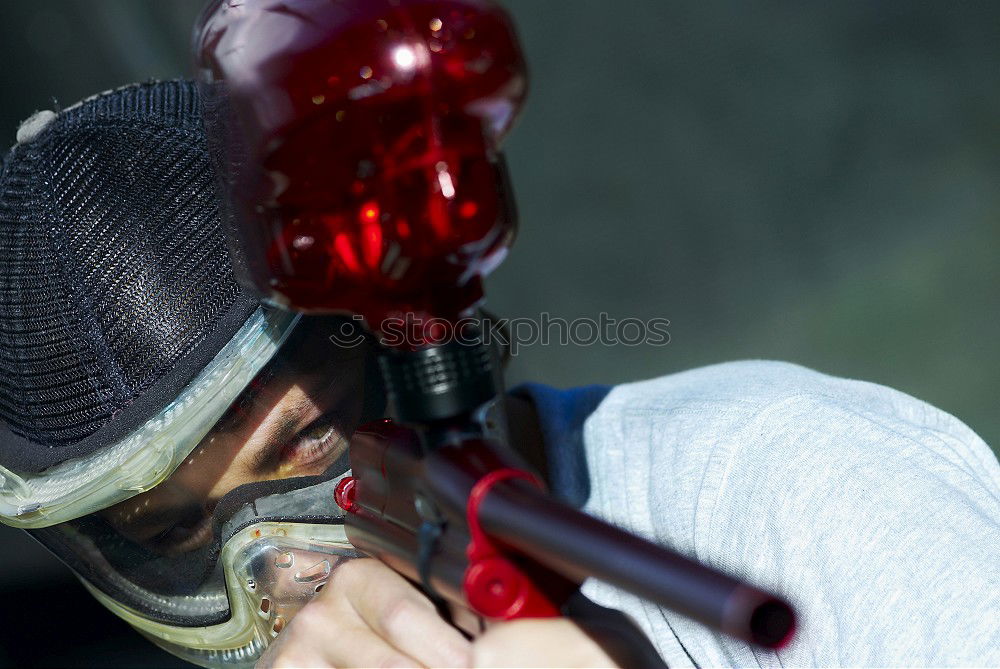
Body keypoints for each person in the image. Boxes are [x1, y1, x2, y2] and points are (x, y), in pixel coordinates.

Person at [0, 80, 997, 669]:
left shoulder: (785, 482)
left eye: (305, 441)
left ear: (414, 341)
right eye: (176, 530)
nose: (281, 570)